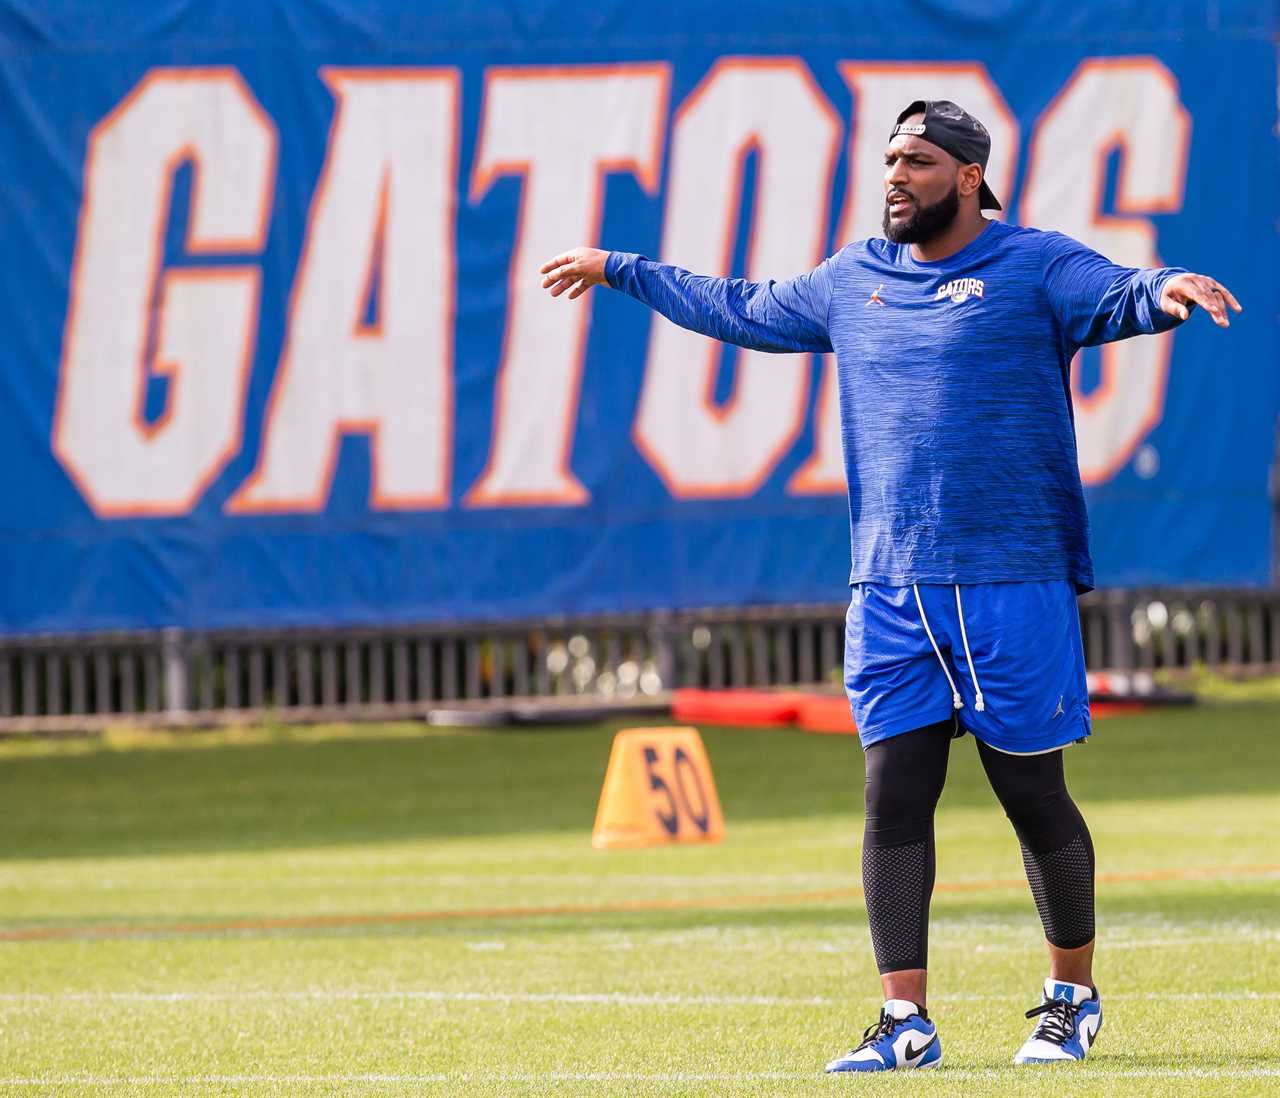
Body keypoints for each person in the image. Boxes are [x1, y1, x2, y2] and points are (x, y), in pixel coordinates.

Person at [539, 98, 1240, 1073]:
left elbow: (1113, 290)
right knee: (890, 798)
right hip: (889, 589)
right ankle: (903, 1020)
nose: (893, 176)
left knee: (1032, 797)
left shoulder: (1029, 264)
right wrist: (624, 270)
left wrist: (1162, 289)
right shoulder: (851, 279)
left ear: (965, 175)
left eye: (915, 160)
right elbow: (741, 307)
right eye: (889, 159)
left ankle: (1068, 999)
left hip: (1011, 577)